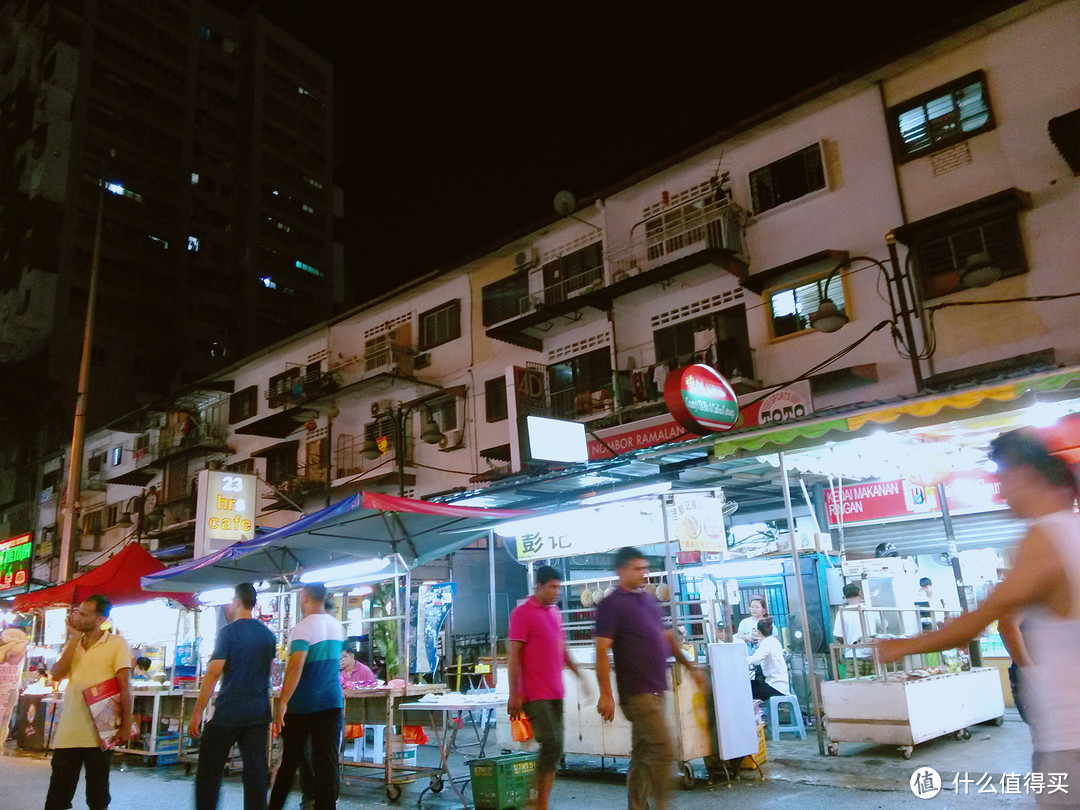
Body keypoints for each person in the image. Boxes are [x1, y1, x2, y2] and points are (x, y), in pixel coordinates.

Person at [879, 430, 1080, 807]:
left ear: (1025, 476)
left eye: (1002, 480)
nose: (1002, 493)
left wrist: (902, 646)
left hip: (1072, 742)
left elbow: (980, 620)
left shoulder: (1044, 538)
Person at [595, 547, 706, 810]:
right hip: (637, 693)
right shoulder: (611, 605)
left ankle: (637, 806)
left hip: (657, 690)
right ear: (621, 571)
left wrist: (690, 667)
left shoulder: (648, 601)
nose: (643, 573)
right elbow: (601, 650)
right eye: (637, 568)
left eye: (645, 568)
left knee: (644, 756)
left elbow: (666, 638)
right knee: (663, 749)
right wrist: (606, 693)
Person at [188, 582, 276, 810]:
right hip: (258, 712)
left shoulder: (227, 633)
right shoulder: (268, 635)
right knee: (255, 772)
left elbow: (213, 672)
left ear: (237, 602)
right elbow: (270, 672)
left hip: (228, 711)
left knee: (209, 769)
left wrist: (197, 712)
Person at [507, 565, 587, 810]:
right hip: (534, 693)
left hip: (555, 692)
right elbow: (514, 657)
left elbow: (562, 649)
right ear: (539, 586)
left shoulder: (555, 613)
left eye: (558, 587)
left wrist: (579, 675)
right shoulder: (522, 613)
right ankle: (537, 800)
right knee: (551, 744)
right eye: (552, 587)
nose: (556, 592)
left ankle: (541, 802)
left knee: (556, 748)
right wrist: (514, 694)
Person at [45, 595, 133, 810]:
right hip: (69, 730)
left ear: (99, 619)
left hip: (100, 730)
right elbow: (56, 675)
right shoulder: (72, 644)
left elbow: (125, 685)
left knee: (98, 795)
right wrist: (74, 639)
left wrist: (126, 724)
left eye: (84, 614)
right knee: (58, 796)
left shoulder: (116, 643)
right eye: (78, 611)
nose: (76, 617)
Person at [268, 584, 345, 810]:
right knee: (326, 764)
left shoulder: (303, 628)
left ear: (306, 597)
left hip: (302, 705)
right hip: (331, 703)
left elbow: (295, 667)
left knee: (289, 763)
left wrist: (282, 702)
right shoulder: (337, 626)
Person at [832, 583, 883, 677]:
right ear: (860, 593)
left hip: (853, 655)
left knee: (855, 687)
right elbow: (884, 626)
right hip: (872, 655)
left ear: (845, 597)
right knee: (875, 686)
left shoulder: (842, 612)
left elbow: (837, 635)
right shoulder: (871, 609)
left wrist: (846, 642)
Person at [747, 617, 789, 701]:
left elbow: (755, 659)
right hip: (780, 686)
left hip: (774, 687)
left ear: (758, 632)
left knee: (746, 689)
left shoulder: (767, 643)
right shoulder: (774, 641)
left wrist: (739, 660)